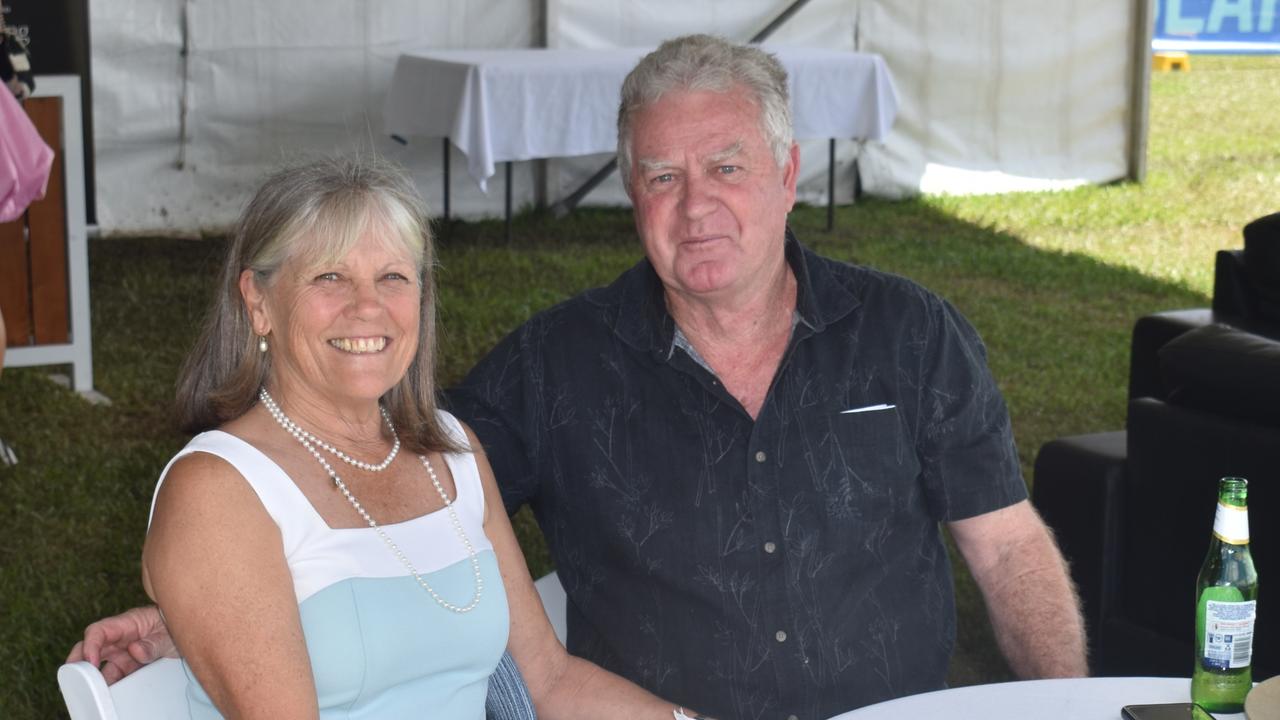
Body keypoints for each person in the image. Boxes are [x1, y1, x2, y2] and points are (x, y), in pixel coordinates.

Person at [71, 35, 1086, 719]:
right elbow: (349, 501)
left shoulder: (908, 335)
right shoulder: (554, 369)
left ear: (787, 175)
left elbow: (1008, 550)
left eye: (725, 167)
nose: (695, 206)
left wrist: (1068, 707)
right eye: (660, 177)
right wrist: (212, 592)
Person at [83, 155, 701, 719]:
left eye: (393, 277)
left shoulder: (452, 452)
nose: (368, 307)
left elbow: (553, 682)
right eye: (329, 276)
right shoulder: (218, 491)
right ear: (258, 301)